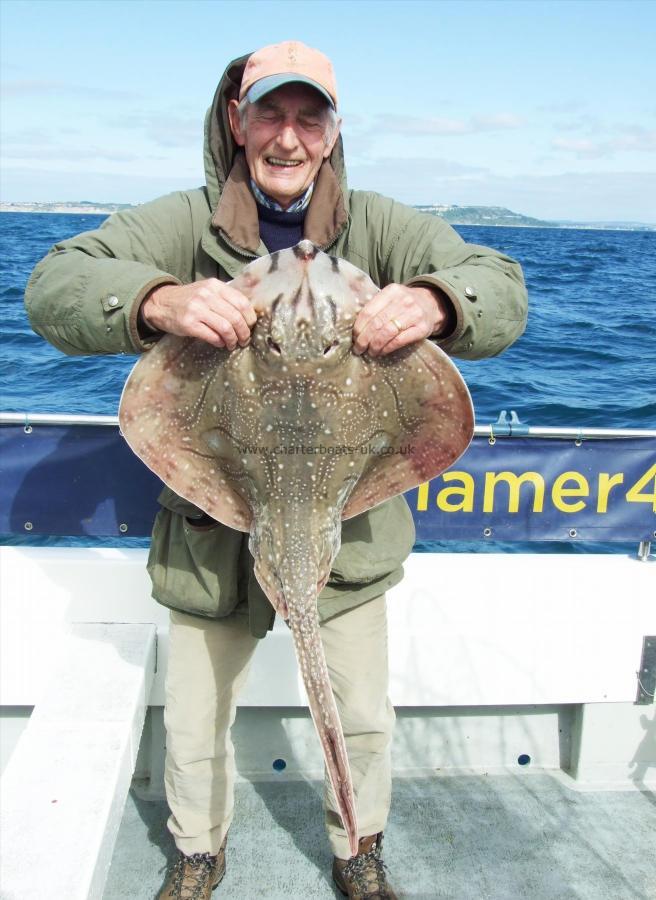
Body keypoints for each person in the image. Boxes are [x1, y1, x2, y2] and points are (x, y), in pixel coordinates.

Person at [25, 41, 528, 900]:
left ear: (332, 133)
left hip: (348, 527)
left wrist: (440, 299)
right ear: (237, 120)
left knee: (360, 717)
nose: (288, 137)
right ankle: (196, 852)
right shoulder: (185, 221)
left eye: (309, 117)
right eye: (269, 113)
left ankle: (358, 845)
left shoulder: (384, 225)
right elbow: (53, 284)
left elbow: (502, 286)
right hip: (209, 532)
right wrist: (155, 298)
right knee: (192, 721)